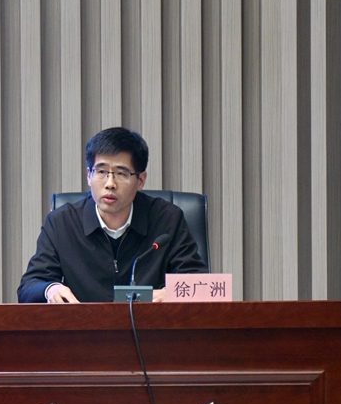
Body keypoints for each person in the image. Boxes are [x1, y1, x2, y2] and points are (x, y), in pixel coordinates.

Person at [18, 127, 206, 303]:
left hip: (150, 326)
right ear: (89, 176)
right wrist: (51, 289)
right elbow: (30, 286)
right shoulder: (62, 222)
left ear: (141, 180)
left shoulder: (167, 219)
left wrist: (170, 293)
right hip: (84, 326)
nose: (110, 184)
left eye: (121, 174)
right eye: (101, 172)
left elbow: (202, 283)